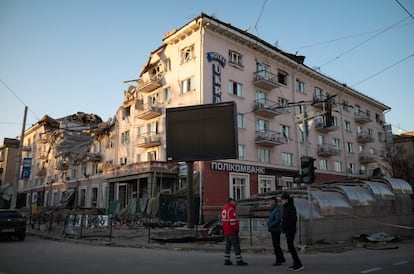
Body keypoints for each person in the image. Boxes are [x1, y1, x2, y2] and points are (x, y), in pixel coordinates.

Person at [221, 198, 248, 266]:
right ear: (230, 202)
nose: (235, 203)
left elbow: (223, 221)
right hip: (232, 231)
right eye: (234, 201)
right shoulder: (231, 209)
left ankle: (226, 260)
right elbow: (233, 222)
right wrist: (236, 230)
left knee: (227, 246)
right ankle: (239, 260)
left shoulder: (224, 209)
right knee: (236, 246)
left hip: (226, 231)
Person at [281, 193, 304, 271]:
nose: (282, 201)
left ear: (287, 200)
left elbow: (293, 220)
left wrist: (285, 226)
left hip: (291, 230)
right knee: (290, 247)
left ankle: (298, 264)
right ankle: (295, 263)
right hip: (288, 230)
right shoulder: (286, 207)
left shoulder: (291, 208)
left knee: (291, 247)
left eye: (283, 200)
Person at [267, 196, 286, 266]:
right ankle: (282, 258)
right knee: (276, 245)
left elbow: (278, 220)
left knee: (276, 245)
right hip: (274, 229)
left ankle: (278, 260)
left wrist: (270, 225)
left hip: (276, 229)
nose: (269, 202)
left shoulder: (277, 209)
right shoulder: (274, 209)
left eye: (270, 201)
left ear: (274, 201)